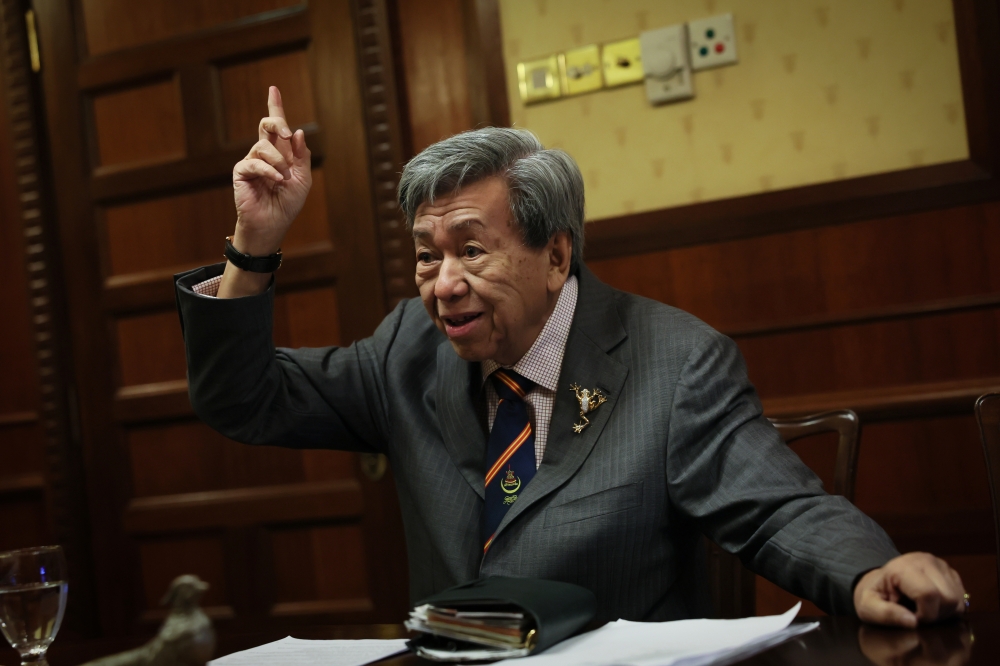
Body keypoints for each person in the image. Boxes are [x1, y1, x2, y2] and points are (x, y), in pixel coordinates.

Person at [174, 87, 967, 625]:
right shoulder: (407, 349)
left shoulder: (675, 361)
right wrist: (255, 243)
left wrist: (868, 571)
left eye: (472, 251)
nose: (442, 285)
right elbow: (243, 398)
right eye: (425, 256)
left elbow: (774, 507)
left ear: (556, 257)